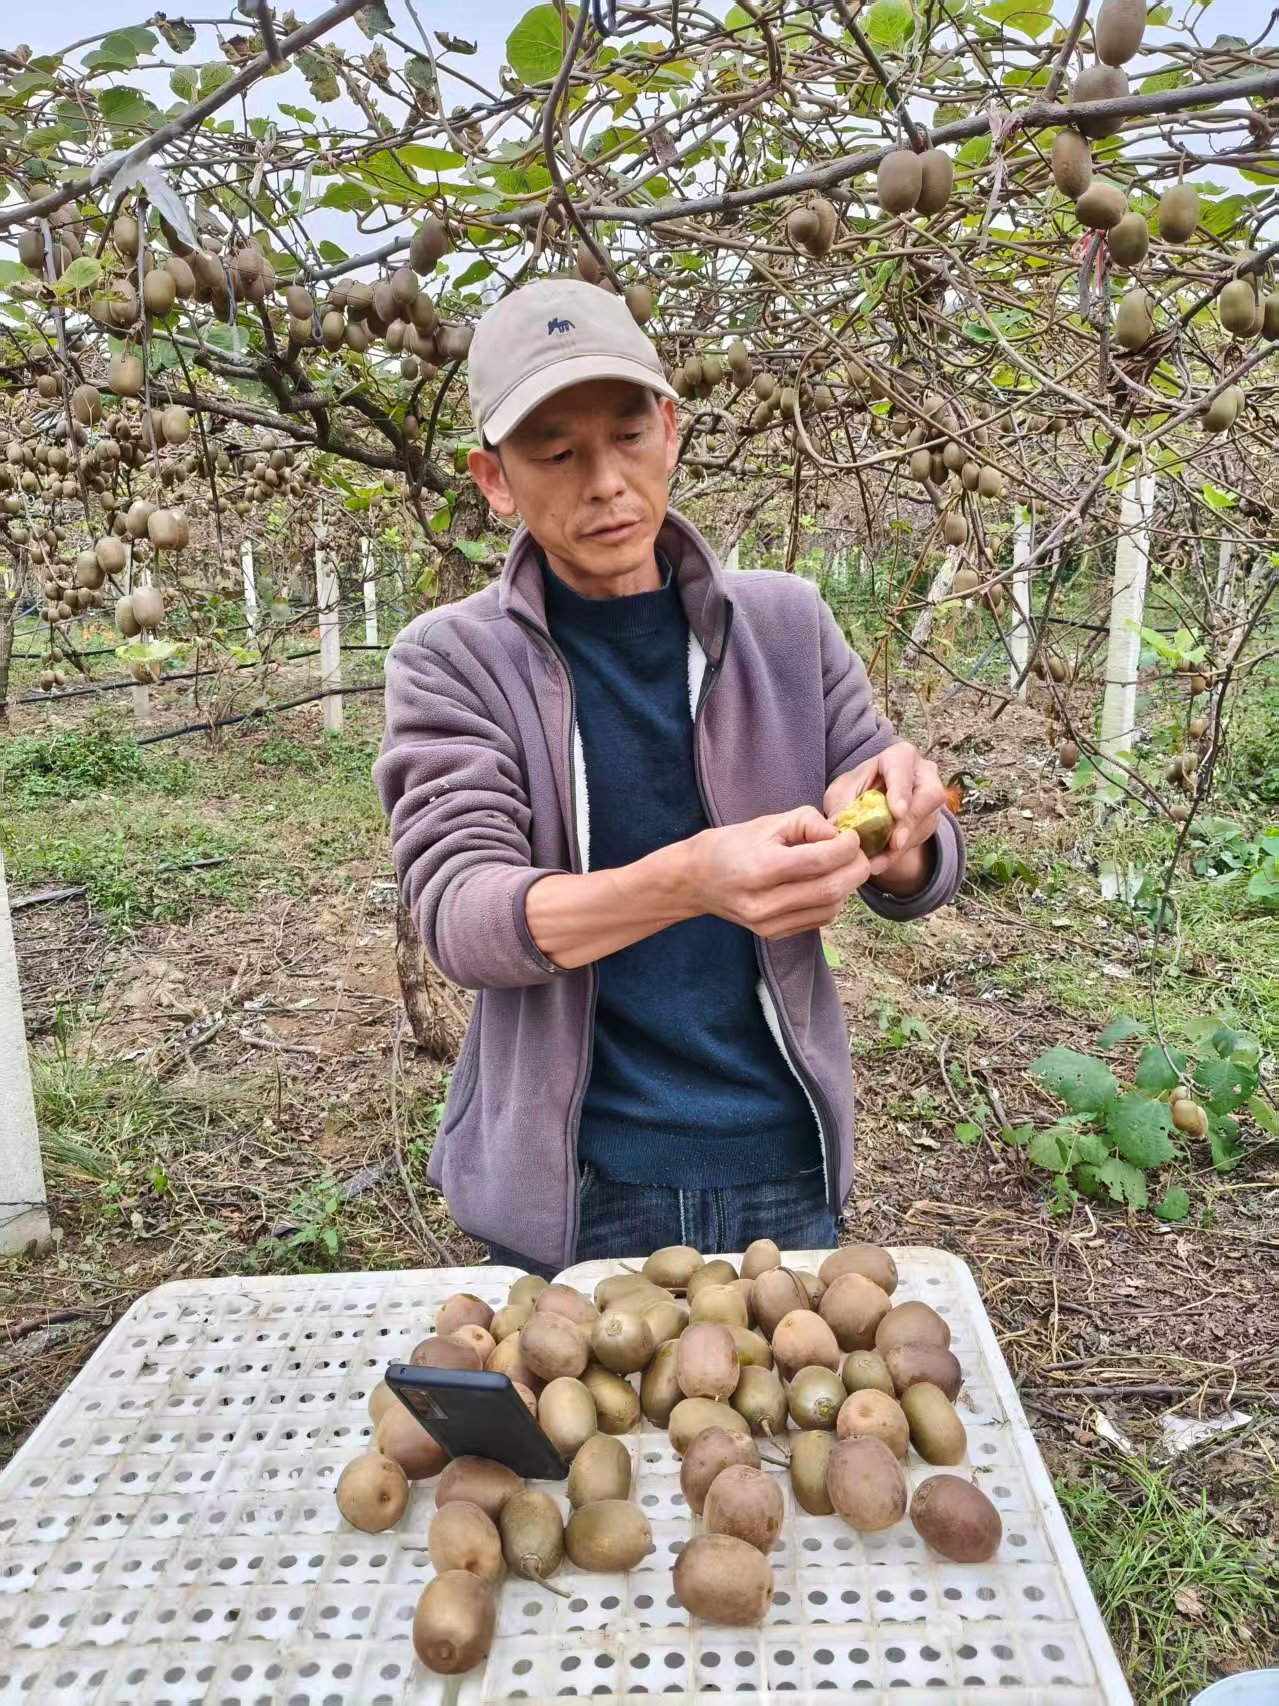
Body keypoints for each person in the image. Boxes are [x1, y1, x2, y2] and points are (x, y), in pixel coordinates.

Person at [375, 278, 964, 1278]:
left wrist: (900, 831)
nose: (605, 481)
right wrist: (687, 879)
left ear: (670, 430)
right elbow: (465, 919)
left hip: (780, 1155)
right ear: (494, 479)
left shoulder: (785, 625)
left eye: (627, 435)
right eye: (556, 453)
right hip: (575, 1178)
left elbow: (921, 861)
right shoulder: (452, 661)